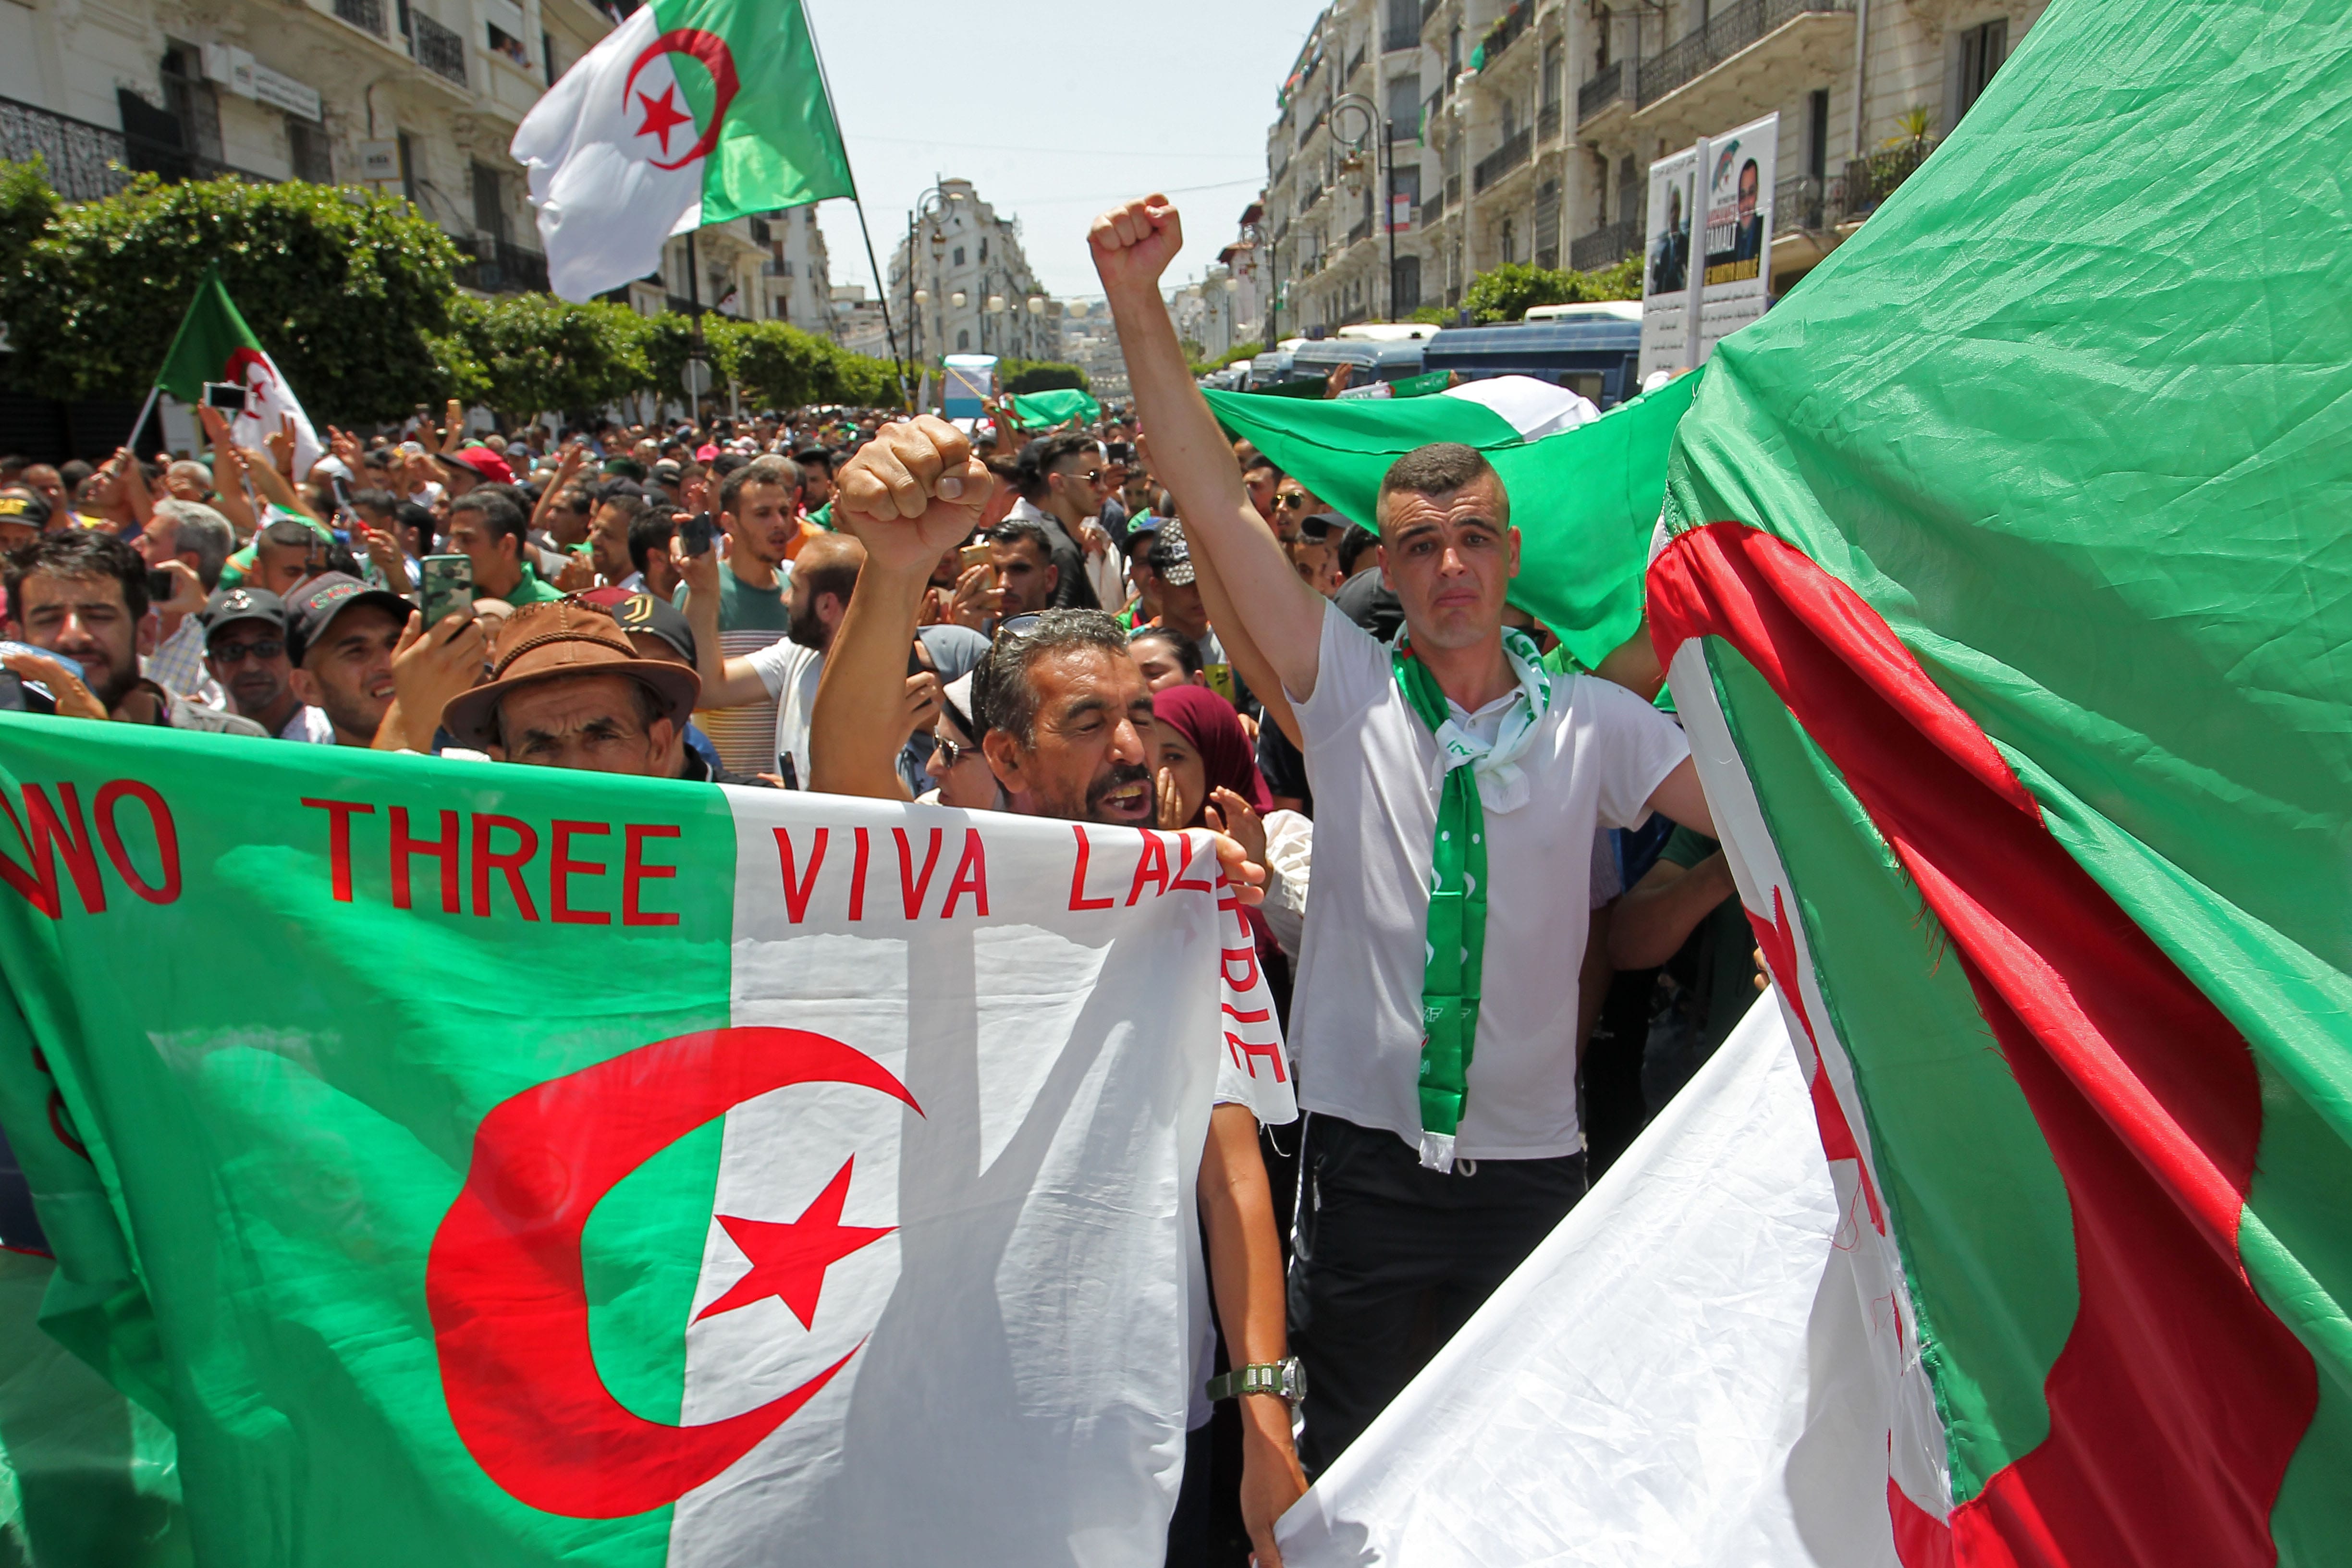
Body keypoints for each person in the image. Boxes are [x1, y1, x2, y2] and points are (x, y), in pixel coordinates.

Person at [1095, 192, 1716, 1473]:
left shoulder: (1599, 725)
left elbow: (1769, 823)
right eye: (1421, 545)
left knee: (1520, 1459)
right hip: (1369, 1166)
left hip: (1537, 1167)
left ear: (1510, 556)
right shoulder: (1347, 693)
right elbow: (1214, 508)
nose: (1448, 569)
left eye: (1474, 541)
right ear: (1387, 558)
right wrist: (1137, 305)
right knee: (1356, 1463)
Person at [809, 416, 1306, 1568]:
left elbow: (1231, 1177)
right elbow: (840, 796)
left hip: (1137, 1423)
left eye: (1140, 713)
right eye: (1088, 723)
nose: (1133, 747)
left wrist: (1264, 1415)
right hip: (952, 1416)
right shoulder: (949, 879)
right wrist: (893, 568)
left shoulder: (1184, 900)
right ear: (1009, 756)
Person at [0, 529, 265, 734]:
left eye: (99, 616)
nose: (74, 636)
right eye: (48, 620)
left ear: (146, 634)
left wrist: (97, 745)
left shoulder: (230, 745)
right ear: (16, 638)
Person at [675, 531, 879, 790]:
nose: (785, 599)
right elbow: (710, 688)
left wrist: (806, 798)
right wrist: (704, 590)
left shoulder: (884, 676)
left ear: (827, 605)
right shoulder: (797, 653)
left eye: (794, 589)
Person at [440, 600, 707, 779]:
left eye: (603, 737)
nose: (575, 768)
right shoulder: (465, 861)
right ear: (502, 767)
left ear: (659, 746)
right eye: (540, 747)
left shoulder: (739, 845)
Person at [676, 454, 803, 776]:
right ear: (729, 522)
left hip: (783, 791)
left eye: (784, 512)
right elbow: (687, 692)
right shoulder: (697, 590)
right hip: (721, 790)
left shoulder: (798, 595)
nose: (779, 524)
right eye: (763, 514)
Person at [285, 572, 417, 747]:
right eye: (356, 651)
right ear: (308, 688)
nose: (388, 663)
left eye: (395, 644)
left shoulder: (462, 765)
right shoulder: (298, 774)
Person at [134, 498, 235, 705]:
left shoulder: (224, 637)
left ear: (187, 562)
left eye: (149, 541)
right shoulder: (135, 612)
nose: (134, 545)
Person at [199, 587, 332, 741]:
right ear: (212, 668)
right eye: (233, 651)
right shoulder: (206, 739)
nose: (251, 666)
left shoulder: (326, 736)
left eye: (267, 648)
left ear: (294, 656)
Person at [1006, 435, 1104, 610]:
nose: (1103, 488)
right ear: (1058, 483)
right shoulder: (1058, 550)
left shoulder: (1061, 541)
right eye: (1093, 478)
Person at [446, 489, 563, 607]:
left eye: (467, 540)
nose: (452, 550)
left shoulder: (556, 609)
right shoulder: (445, 603)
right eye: (452, 539)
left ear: (507, 546)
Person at [987, 518, 1064, 621]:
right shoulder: (965, 633)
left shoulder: (1074, 637)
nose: (1003, 584)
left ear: (1050, 578)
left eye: (1019, 570)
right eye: (993, 571)